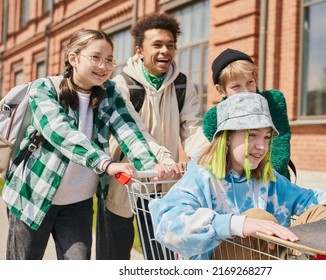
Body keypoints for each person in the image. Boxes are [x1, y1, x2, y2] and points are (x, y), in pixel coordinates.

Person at [1, 29, 171, 260]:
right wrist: (106, 163)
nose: (103, 66)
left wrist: (153, 167)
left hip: (77, 204)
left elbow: (129, 131)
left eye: (109, 60)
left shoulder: (110, 93)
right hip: (32, 195)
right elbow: (60, 132)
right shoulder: (44, 89)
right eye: (96, 58)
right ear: (73, 58)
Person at [149, 93, 326, 260]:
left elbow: (308, 198)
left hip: (269, 259)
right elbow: (167, 224)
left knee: (323, 212)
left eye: (267, 137)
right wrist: (238, 224)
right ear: (227, 137)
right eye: (253, 135)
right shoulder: (201, 175)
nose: (261, 146)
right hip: (220, 264)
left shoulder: (267, 178)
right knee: (257, 216)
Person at [96, 12, 210, 260]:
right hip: (123, 184)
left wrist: (207, 160)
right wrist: (165, 162)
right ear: (139, 50)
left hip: (162, 184)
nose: (165, 51)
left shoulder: (182, 85)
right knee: (113, 258)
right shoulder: (121, 85)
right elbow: (137, 133)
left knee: (162, 257)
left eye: (170, 45)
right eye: (157, 45)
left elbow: (193, 127)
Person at [202, 48, 294, 180]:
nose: (246, 91)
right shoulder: (213, 118)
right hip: (236, 185)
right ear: (221, 90)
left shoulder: (273, 100)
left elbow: (280, 142)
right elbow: (223, 155)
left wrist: (269, 180)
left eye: (250, 82)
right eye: (236, 86)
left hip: (274, 180)